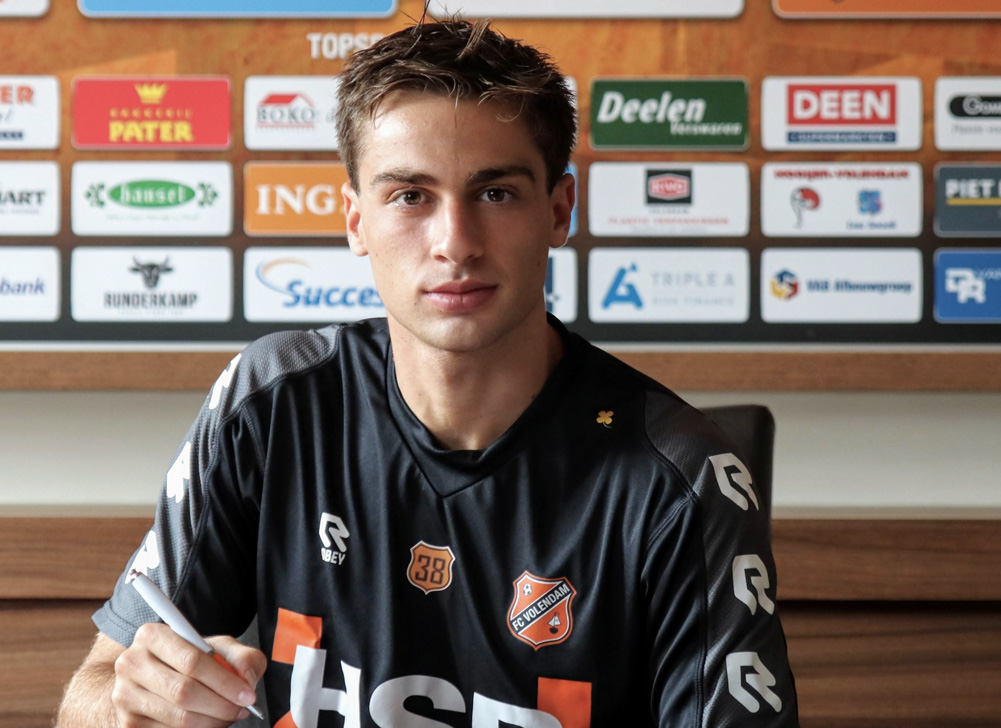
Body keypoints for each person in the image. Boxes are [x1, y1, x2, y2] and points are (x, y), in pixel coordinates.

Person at [55, 17, 798, 728]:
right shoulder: (272, 401)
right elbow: (90, 695)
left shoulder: (683, 474)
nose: (455, 243)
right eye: (410, 196)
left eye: (495, 193)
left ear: (558, 210)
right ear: (356, 220)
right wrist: (137, 703)